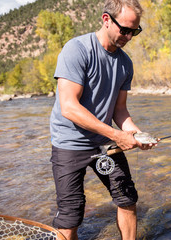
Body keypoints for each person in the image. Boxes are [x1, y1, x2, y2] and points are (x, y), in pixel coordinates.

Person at [49, 0, 155, 239]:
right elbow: (69, 107)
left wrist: (137, 135)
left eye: (134, 31)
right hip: (69, 143)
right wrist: (117, 135)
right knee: (70, 215)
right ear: (106, 19)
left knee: (127, 197)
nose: (128, 36)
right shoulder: (76, 50)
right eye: (124, 29)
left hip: (104, 142)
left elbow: (120, 110)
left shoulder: (125, 63)